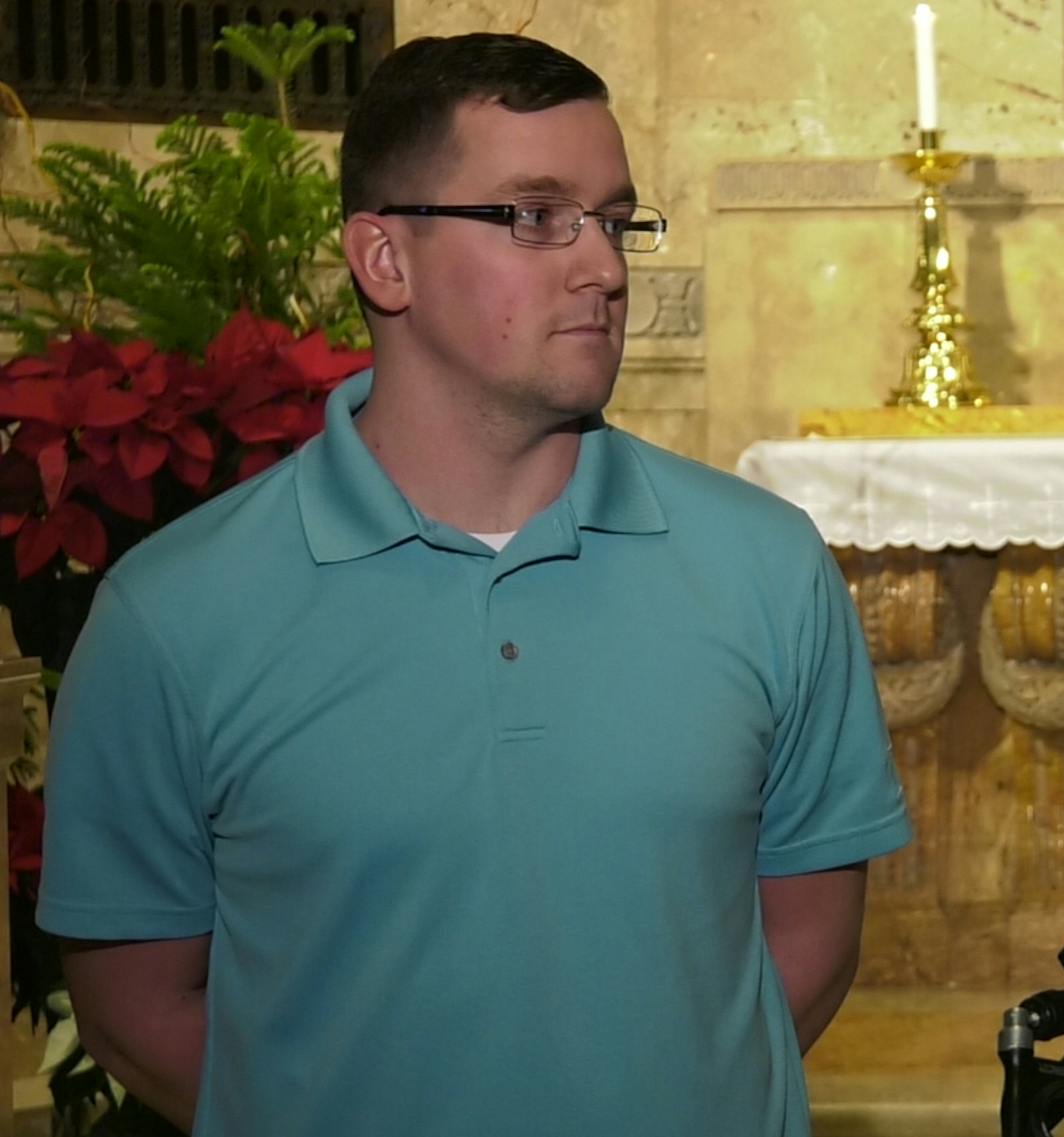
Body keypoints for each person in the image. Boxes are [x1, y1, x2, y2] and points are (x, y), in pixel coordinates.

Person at [36, 33, 910, 1135]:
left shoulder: (768, 566)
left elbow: (811, 937)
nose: (603, 266)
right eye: (536, 216)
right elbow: (138, 1005)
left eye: (614, 219)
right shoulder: (173, 613)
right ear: (384, 259)